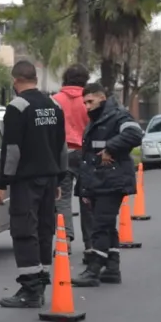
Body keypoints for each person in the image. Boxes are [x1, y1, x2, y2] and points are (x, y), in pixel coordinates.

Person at [0, 60, 68, 308]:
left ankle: (30, 289)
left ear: (15, 81)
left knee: (24, 230)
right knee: (45, 230)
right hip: (49, 178)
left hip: (27, 181)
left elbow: (12, 150)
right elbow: (61, 146)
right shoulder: (54, 104)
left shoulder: (17, 107)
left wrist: (2, 183)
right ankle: (42, 281)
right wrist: (59, 178)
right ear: (35, 78)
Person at [72, 83, 143, 287]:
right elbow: (89, 157)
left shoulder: (118, 115)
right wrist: (84, 188)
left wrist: (110, 148)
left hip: (111, 181)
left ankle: (93, 270)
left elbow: (135, 134)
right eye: (84, 102)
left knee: (100, 226)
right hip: (100, 181)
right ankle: (112, 268)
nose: (87, 106)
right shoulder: (98, 119)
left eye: (90, 101)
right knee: (107, 225)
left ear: (102, 98)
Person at [51, 64, 94, 261]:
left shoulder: (55, 101)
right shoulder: (90, 100)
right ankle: (90, 243)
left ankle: (65, 238)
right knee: (87, 198)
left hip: (63, 153)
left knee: (63, 198)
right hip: (85, 152)